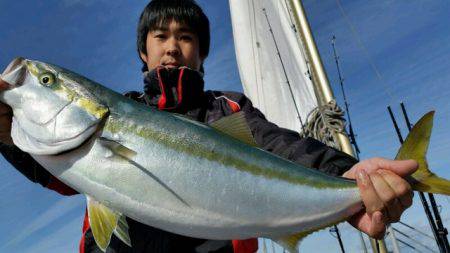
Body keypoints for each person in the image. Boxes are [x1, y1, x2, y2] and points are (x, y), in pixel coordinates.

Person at [0, 0, 417, 252]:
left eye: (185, 37)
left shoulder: (227, 109)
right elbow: (53, 170)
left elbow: (285, 148)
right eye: (160, 36)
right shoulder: (120, 112)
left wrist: (347, 177)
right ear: (143, 52)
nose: (171, 47)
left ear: (201, 52)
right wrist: (7, 135)